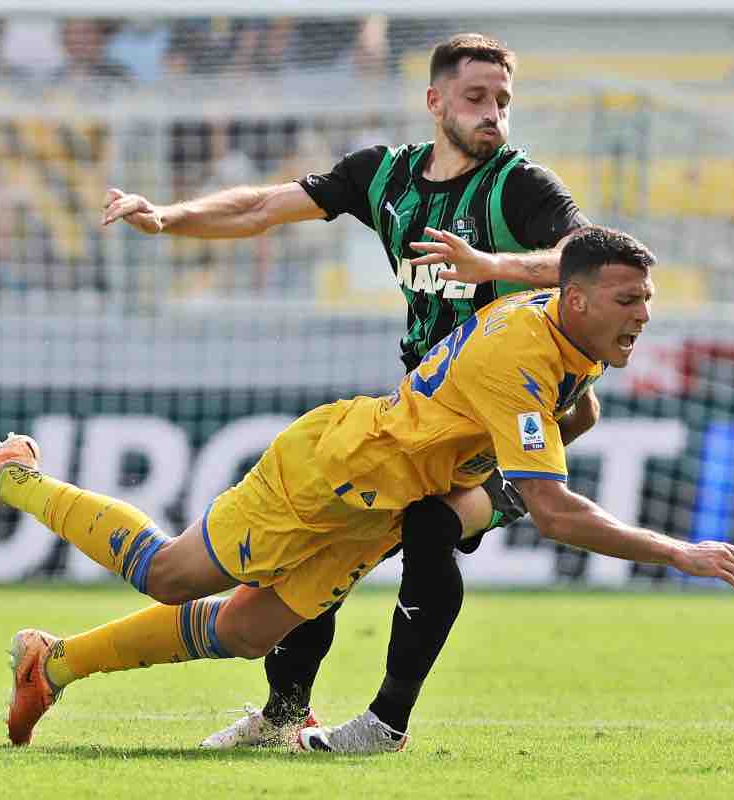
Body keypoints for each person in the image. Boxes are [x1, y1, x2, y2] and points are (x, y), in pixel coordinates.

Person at [0, 225, 734, 751]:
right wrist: (676, 551)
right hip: (330, 475)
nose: (644, 314)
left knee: (253, 631)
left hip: (382, 510)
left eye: (647, 300)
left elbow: (571, 416)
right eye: (628, 299)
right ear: (576, 298)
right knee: (170, 576)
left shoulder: (568, 337)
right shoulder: (522, 352)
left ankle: (55, 663)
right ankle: (17, 476)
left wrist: (493, 483)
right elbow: (552, 508)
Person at [101, 33, 598, 752]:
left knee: (428, 528)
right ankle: (284, 712)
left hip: (524, 424)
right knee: (330, 528)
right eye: (476, 99)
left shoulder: (521, 187)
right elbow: (264, 208)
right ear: (434, 103)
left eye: (503, 102)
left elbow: (581, 260)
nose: (494, 115)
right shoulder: (383, 178)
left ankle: (384, 723)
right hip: (428, 421)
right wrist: (169, 216)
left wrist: (490, 261)